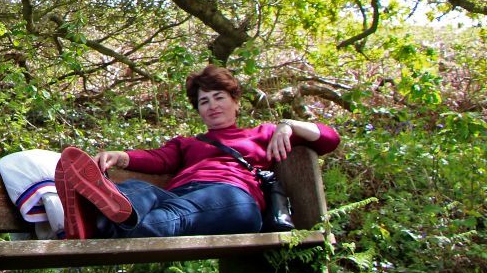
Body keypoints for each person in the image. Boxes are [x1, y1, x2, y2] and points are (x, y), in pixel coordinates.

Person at [56, 64, 340, 239]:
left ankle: (94, 221)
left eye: (219, 97)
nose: (213, 106)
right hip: (180, 195)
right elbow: (159, 158)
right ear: (199, 111)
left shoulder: (261, 134)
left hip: (232, 196)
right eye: (204, 101)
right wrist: (121, 156)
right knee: (138, 189)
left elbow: (329, 139)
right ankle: (105, 212)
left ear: (236, 102)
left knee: (164, 218)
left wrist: (288, 125)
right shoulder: (188, 143)